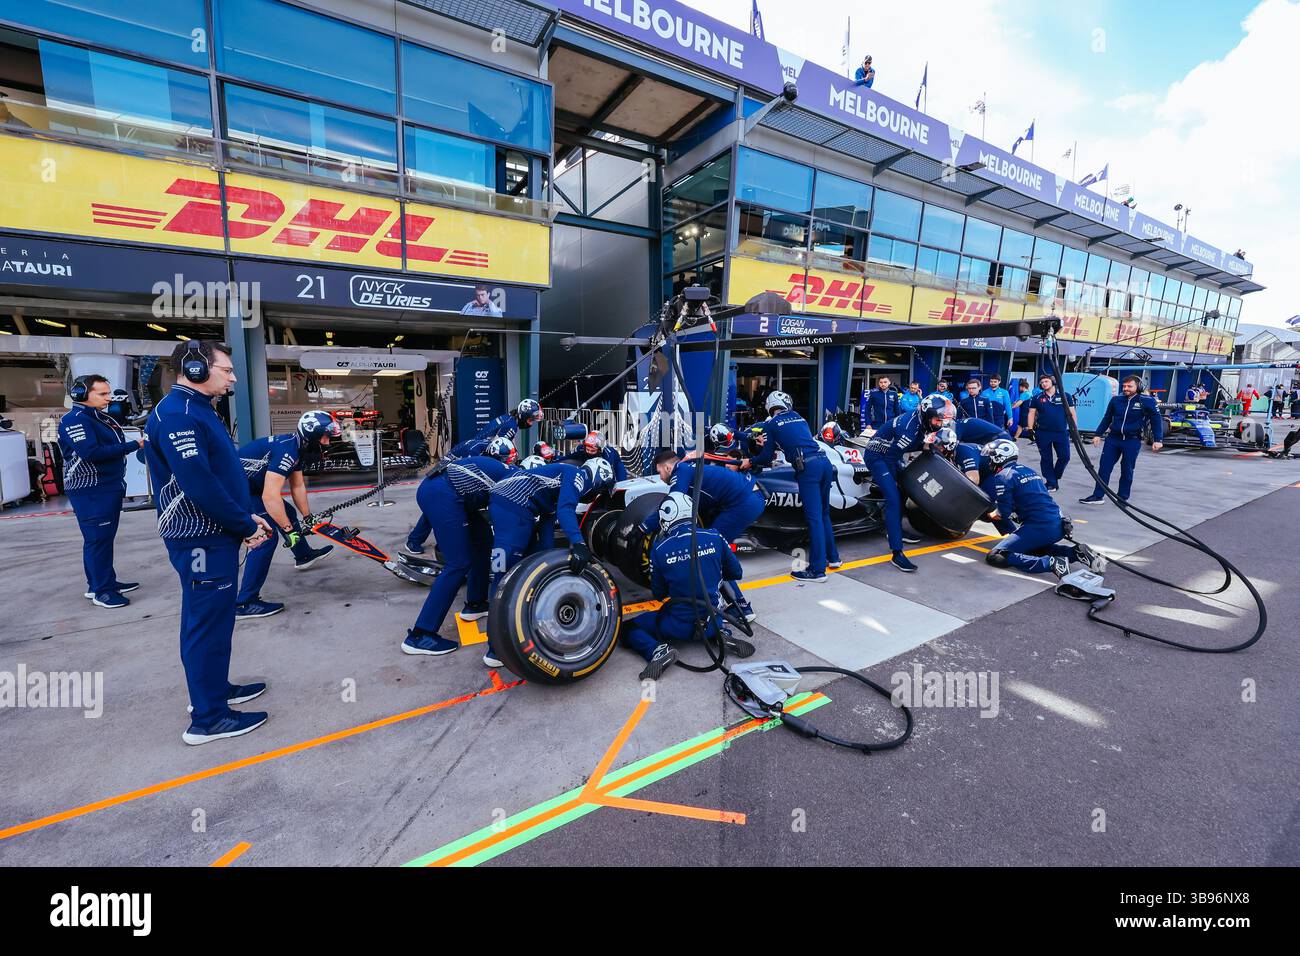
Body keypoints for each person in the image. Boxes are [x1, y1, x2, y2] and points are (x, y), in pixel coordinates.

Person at [143, 341, 274, 745]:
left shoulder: (195, 409)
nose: (233, 377)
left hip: (212, 532)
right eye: (227, 370)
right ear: (196, 369)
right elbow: (199, 483)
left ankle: (213, 691)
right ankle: (209, 719)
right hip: (200, 537)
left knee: (211, 622)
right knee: (205, 625)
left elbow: (219, 473)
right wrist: (244, 525)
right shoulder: (180, 415)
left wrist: (242, 514)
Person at [485, 457, 615, 666]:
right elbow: (566, 510)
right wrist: (579, 544)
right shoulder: (576, 475)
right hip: (512, 506)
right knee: (504, 577)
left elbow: (547, 535)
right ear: (600, 479)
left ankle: (514, 631)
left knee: (524, 567)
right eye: (600, 491)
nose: (595, 497)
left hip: (513, 505)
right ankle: (495, 649)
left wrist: (550, 562)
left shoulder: (556, 485)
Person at [400, 453, 517, 656]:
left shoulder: (511, 474)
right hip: (441, 494)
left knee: (483, 541)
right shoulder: (514, 483)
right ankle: (420, 635)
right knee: (458, 563)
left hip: (451, 494)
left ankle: (475, 604)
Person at [622, 492, 744, 680]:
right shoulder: (714, 536)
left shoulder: (660, 549)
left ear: (666, 518)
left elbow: (659, 595)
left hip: (677, 626)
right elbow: (736, 573)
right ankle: (720, 633)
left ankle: (658, 651)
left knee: (628, 627)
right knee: (712, 613)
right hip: (713, 618)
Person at [232, 411, 340, 620]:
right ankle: (244, 602)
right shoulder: (287, 451)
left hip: (250, 485)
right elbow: (270, 497)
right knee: (265, 538)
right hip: (237, 489)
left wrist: (307, 517)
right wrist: (290, 532)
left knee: (288, 512)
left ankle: (303, 555)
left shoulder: (296, 445)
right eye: (325, 437)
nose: (327, 443)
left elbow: (297, 486)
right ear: (312, 435)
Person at [404, 398, 541, 555]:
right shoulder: (510, 426)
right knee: (444, 502)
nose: (531, 424)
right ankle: (420, 540)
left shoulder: (507, 418)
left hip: (463, 456)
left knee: (440, 503)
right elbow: (502, 449)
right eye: (531, 419)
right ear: (523, 415)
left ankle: (418, 539)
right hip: (461, 462)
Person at [645, 448, 764, 622]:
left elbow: (673, 503)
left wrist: (644, 526)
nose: (661, 478)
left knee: (710, 548)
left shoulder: (681, 470)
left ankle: (741, 608)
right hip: (750, 495)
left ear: (668, 468)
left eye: (660, 472)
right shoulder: (690, 465)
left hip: (743, 502)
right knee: (709, 545)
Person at [58, 374, 144, 608]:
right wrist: (133, 446)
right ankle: (102, 591)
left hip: (106, 486)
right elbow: (91, 452)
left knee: (102, 539)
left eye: (108, 392)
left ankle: (101, 582)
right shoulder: (75, 420)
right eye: (102, 394)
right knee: (97, 539)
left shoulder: (99, 418)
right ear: (81, 395)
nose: (109, 398)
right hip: (90, 489)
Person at [740, 390, 839, 582]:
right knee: (824, 514)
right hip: (825, 464)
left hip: (808, 468)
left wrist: (750, 461)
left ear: (770, 406)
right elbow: (792, 440)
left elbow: (766, 457)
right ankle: (833, 558)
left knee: (814, 518)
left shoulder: (771, 424)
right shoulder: (799, 418)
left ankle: (817, 570)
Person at [982, 439, 1107, 578]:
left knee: (996, 555)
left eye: (990, 457)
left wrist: (991, 514)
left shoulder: (1003, 476)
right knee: (1032, 547)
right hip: (1059, 523)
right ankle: (1076, 553)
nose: (989, 462)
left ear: (999, 457)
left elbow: (1003, 513)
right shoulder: (1029, 471)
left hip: (1040, 527)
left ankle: (1051, 563)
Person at [860, 395, 947, 572]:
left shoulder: (923, 420)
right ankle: (897, 552)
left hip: (892, 454)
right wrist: (893, 484)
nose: (939, 423)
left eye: (941, 419)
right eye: (937, 419)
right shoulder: (908, 429)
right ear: (926, 414)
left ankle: (896, 528)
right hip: (878, 457)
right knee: (893, 498)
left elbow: (925, 446)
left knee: (906, 485)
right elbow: (891, 459)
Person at [1079, 375, 1163, 505]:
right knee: (1104, 468)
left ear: (1138, 387)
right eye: (1124, 386)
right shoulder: (1116, 400)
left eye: (1130, 386)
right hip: (1113, 439)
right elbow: (1107, 418)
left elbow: (1156, 421)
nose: (1126, 388)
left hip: (1132, 441)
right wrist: (1098, 434)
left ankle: (1122, 498)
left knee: (1127, 469)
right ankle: (1098, 496)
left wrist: (1158, 439)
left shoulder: (1147, 401)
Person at [1024, 372, 1077, 493]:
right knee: (1046, 458)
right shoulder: (1037, 397)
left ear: (1053, 382)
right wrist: (1030, 428)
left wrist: (1074, 429)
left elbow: (1072, 413)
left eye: (1046, 381)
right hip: (1043, 433)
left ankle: (1054, 476)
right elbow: (1031, 413)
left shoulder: (1065, 396)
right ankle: (1051, 482)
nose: (1043, 384)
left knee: (1065, 457)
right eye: (1042, 382)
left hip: (1061, 432)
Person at [561, 429, 627, 481]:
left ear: (600, 449)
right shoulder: (580, 448)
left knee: (620, 483)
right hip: (587, 467)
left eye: (592, 450)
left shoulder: (609, 454)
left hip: (613, 467)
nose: (589, 452)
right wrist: (553, 458)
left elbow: (609, 475)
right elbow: (566, 458)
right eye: (587, 449)